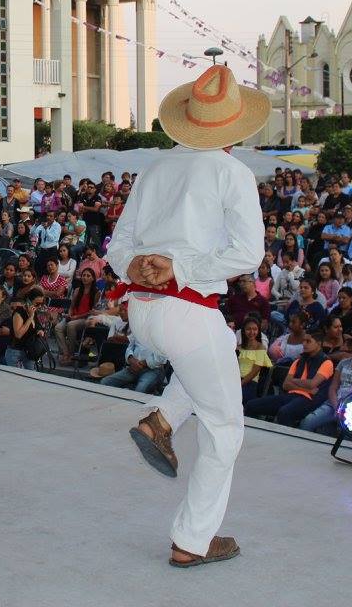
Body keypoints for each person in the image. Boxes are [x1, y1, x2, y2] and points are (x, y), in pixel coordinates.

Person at [105, 64, 268, 568]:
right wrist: (181, 266)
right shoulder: (232, 172)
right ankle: (192, 540)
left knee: (210, 364)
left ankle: (161, 420)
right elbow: (248, 255)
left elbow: (119, 248)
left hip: (144, 309)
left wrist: (139, 265)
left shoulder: (155, 169)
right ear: (236, 127)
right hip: (188, 309)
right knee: (225, 426)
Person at [300, 331, 352, 436]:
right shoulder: (343, 363)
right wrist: (337, 407)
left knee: (343, 436)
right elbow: (333, 387)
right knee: (307, 422)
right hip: (334, 403)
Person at [244, 331, 332, 426]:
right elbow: (286, 385)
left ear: (318, 344)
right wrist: (306, 389)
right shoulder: (299, 361)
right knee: (251, 405)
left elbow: (312, 384)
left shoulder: (326, 362)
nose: (304, 344)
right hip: (292, 395)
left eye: (308, 341)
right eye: (303, 341)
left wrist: (294, 382)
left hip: (310, 400)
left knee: (284, 412)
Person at [237, 317, 272, 403]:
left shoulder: (260, 347)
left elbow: (255, 371)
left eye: (255, 329)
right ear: (243, 330)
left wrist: (240, 384)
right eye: (248, 329)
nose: (252, 332)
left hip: (250, 383)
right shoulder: (239, 347)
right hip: (236, 379)